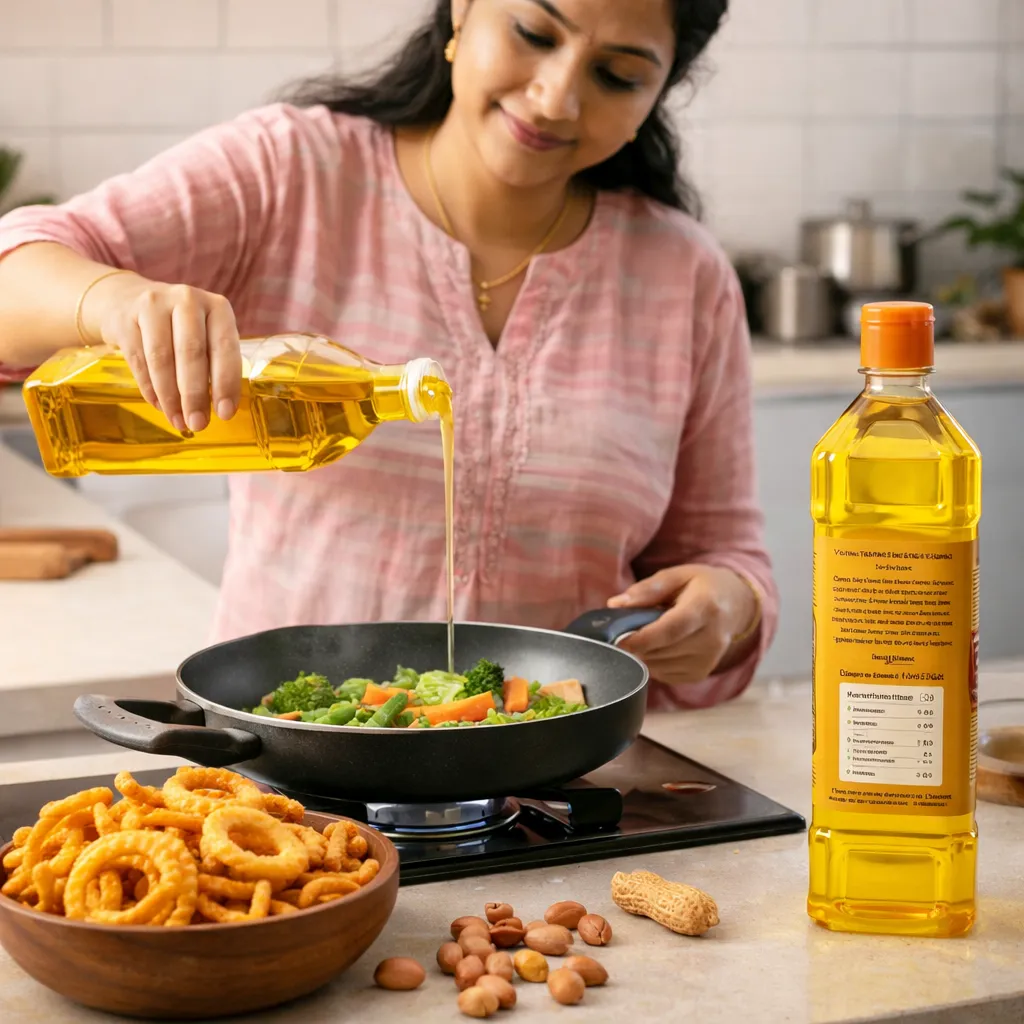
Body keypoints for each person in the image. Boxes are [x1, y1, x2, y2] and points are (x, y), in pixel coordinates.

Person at [0, 0, 775, 710]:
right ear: (463, 9)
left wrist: (728, 606)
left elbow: (724, 552)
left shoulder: (685, 275)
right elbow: (16, 276)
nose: (555, 97)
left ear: (658, 93)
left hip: (558, 775)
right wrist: (113, 301)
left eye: (617, 76)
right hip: (282, 763)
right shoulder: (289, 173)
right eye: (534, 35)